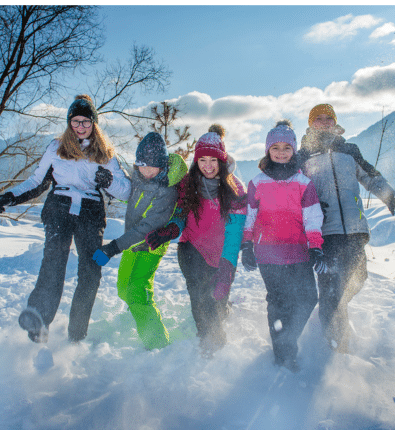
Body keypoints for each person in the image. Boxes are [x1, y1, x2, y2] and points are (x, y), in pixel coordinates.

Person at [0, 94, 131, 343]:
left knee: (90, 271)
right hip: (59, 207)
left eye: (86, 121)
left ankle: (76, 334)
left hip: (91, 212)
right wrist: (8, 198)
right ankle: (38, 320)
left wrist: (109, 181)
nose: (80, 126)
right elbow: (36, 182)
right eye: (75, 121)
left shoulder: (105, 154)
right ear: (69, 122)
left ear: (94, 123)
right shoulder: (56, 147)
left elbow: (126, 190)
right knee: (54, 262)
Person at [298, 104, 395, 353]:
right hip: (326, 234)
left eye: (329, 119)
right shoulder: (304, 155)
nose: (324, 123)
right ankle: (335, 347)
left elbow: (371, 177)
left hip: (355, 231)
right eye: (319, 119)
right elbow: (294, 191)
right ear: (311, 123)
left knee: (357, 280)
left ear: (335, 122)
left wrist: (391, 198)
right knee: (331, 292)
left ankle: (333, 313)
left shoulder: (349, 150)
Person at [146, 131, 247, 357]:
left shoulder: (235, 190)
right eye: (202, 160)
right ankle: (210, 344)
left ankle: (220, 317)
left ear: (222, 160)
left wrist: (227, 268)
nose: (208, 166)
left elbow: (233, 234)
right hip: (191, 248)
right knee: (200, 298)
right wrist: (170, 230)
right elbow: (180, 215)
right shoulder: (188, 184)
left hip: (222, 253)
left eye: (213, 160)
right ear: (196, 161)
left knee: (218, 301)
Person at [241, 122, 326, 372]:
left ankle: (287, 339)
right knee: (278, 302)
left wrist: (316, 247)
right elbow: (250, 217)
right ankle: (283, 353)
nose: (280, 152)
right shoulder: (257, 182)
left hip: (299, 251)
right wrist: (247, 245)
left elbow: (312, 218)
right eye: (275, 147)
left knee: (308, 298)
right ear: (268, 150)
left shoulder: (303, 182)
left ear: (294, 149)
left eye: (286, 147)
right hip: (268, 252)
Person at [92, 132, 187, 350]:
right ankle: (141, 312)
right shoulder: (139, 176)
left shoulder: (167, 191)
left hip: (151, 244)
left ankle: (157, 344)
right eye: (142, 165)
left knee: (137, 288)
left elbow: (147, 228)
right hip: (131, 243)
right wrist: (110, 182)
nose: (146, 171)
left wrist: (112, 248)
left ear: (162, 164)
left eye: (152, 166)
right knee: (123, 287)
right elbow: (125, 186)